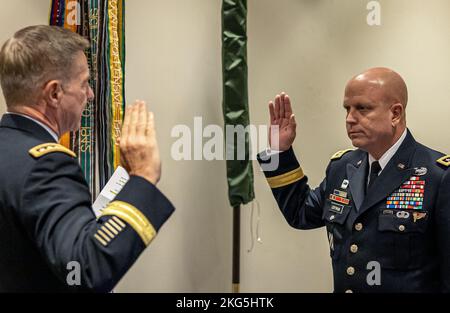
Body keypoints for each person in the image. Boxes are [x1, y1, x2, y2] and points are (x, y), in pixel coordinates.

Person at [0, 25, 175, 292]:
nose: (90, 94)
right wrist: (143, 178)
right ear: (55, 93)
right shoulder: (46, 164)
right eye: (84, 84)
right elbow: (84, 269)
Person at [258, 67, 450, 293]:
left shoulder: (438, 176)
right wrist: (280, 152)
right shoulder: (343, 167)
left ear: (395, 113)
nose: (350, 119)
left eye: (362, 108)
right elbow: (300, 213)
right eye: (347, 109)